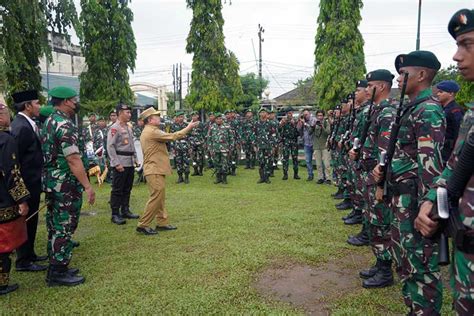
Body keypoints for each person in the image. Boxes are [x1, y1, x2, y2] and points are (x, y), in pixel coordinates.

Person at [373, 51, 445, 315]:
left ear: (422, 75)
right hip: (402, 197)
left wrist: (428, 208)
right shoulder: (412, 107)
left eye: (404, 74)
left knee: (421, 264)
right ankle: (414, 308)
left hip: (416, 201)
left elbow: (431, 165)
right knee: (405, 260)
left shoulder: (428, 110)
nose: (399, 80)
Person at [416, 9, 474, 315]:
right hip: (464, 253)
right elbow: (454, 164)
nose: (456, 56)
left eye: (467, 44)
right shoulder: (472, 115)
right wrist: (432, 199)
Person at [41, 86, 96, 286]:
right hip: (65, 183)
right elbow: (73, 158)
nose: (75, 104)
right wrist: (87, 186)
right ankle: (57, 272)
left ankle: (57, 264)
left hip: (53, 181)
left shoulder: (49, 121)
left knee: (55, 224)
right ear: (65, 101)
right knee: (64, 225)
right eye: (74, 100)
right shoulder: (63, 124)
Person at [136, 108, 198, 235]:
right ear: (150, 120)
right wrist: (189, 127)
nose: (159, 118)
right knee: (156, 197)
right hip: (153, 169)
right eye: (156, 116)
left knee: (160, 197)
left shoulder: (151, 130)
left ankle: (162, 222)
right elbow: (174, 136)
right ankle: (143, 225)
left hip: (155, 168)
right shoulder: (151, 131)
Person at [10, 90, 47, 272]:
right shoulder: (21, 127)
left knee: (31, 219)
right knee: (25, 220)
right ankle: (23, 260)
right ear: (27, 106)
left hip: (32, 182)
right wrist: (20, 190)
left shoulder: (27, 124)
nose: (39, 106)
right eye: (37, 103)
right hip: (25, 183)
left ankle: (30, 253)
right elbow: (14, 160)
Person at [0, 102, 30, 295]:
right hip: (3, 201)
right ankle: (1, 283)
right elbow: (12, 173)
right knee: (3, 244)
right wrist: (22, 199)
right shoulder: (5, 139)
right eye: (7, 113)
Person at [107, 103, 139, 225]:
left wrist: (135, 158)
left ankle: (125, 210)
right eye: (127, 112)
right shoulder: (114, 128)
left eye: (130, 112)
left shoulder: (128, 127)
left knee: (127, 188)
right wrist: (116, 163)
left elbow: (132, 144)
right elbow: (110, 146)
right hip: (121, 162)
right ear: (120, 113)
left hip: (130, 162)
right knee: (117, 189)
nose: (129, 114)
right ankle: (115, 214)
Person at [435, 80, 465, 163]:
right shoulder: (441, 109)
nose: (438, 94)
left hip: (449, 154)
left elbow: (459, 135)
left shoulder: (455, 111)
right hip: (441, 151)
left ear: (451, 93)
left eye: (441, 92)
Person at [209, 113, 234, 184]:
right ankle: (218, 178)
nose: (219, 120)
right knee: (216, 164)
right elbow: (209, 138)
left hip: (225, 149)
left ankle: (224, 179)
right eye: (217, 119)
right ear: (215, 120)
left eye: (220, 119)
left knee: (224, 164)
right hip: (215, 149)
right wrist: (210, 149)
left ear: (222, 119)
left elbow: (231, 138)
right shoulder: (212, 127)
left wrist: (231, 148)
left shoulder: (227, 126)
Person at [279, 109, 300, 180]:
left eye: (291, 113)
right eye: (288, 113)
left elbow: (299, 132)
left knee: (295, 158)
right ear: (286, 114)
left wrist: (294, 124)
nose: (289, 114)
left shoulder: (295, 121)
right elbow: (279, 130)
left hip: (294, 141)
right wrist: (281, 124)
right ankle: (285, 174)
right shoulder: (283, 121)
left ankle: (296, 174)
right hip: (286, 141)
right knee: (285, 158)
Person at [170, 111, 191, 184]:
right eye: (179, 117)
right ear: (176, 118)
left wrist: (190, 147)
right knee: (179, 162)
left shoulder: (187, 126)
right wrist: (173, 148)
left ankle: (186, 177)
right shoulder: (173, 126)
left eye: (182, 117)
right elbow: (171, 137)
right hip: (177, 147)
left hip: (186, 147)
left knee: (186, 162)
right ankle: (180, 177)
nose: (180, 118)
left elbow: (190, 137)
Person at [254, 108, 273, 184]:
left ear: (267, 114)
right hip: (259, 146)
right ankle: (262, 178)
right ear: (259, 114)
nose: (262, 114)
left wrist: (273, 146)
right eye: (261, 112)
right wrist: (254, 145)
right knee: (261, 162)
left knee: (268, 162)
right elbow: (254, 134)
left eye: (264, 112)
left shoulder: (271, 123)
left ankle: (267, 178)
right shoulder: (256, 123)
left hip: (268, 146)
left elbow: (274, 135)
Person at [297, 109, 316, 181]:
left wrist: (305, 123)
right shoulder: (302, 121)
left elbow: (311, 130)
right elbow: (298, 130)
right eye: (304, 115)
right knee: (308, 160)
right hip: (306, 143)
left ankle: (322, 176)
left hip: (314, 143)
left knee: (318, 160)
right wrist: (300, 123)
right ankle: (310, 175)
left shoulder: (313, 119)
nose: (305, 116)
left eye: (306, 114)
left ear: (309, 114)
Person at [313, 109, 331, 184]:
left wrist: (322, 126)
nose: (319, 117)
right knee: (318, 164)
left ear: (323, 116)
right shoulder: (315, 123)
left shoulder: (326, 123)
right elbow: (311, 132)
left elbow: (328, 132)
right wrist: (313, 126)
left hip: (325, 146)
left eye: (321, 115)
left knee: (326, 164)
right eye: (318, 115)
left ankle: (328, 178)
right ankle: (320, 178)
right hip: (317, 146)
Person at [188, 111, 205, 176]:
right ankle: (195, 170)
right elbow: (188, 133)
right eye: (192, 116)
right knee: (193, 157)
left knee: (201, 157)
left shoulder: (201, 124)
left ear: (198, 116)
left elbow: (204, 133)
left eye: (195, 116)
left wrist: (203, 141)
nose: (193, 117)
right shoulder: (190, 124)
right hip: (192, 143)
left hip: (200, 143)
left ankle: (200, 171)